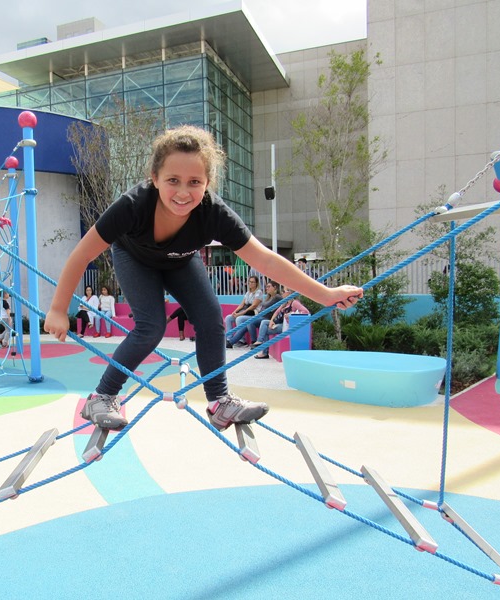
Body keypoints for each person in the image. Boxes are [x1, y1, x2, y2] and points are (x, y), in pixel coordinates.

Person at [44, 125, 361, 431]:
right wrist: (58, 309)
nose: (183, 192)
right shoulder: (132, 206)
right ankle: (101, 397)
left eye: (194, 182)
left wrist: (325, 294)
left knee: (211, 320)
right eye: (173, 180)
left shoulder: (213, 213)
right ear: (154, 178)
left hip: (181, 261)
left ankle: (219, 401)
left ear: (207, 183)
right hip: (134, 258)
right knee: (151, 326)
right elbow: (81, 255)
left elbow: (264, 259)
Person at [253, 287, 310, 359]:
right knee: (264, 322)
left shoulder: (294, 303)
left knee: (265, 330)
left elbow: (306, 311)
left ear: (289, 293)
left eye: (283, 291)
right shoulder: (285, 302)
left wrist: (291, 314)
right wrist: (271, 321)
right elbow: (276, 312)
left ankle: (263, 350)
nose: (282, 293)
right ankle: (260, 342)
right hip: (281, 323)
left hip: (287, 326)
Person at [227, 280, 281, 348]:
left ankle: (252, 341)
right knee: (245, 324)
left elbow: (268, 307)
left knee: (249, 321)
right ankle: (231, 342)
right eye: (266, 287)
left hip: (267, 317)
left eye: (269, 287)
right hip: (261, 316)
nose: (267, 288)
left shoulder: (277, 297)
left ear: (275, 287)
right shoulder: (268, 297)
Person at [225, 275, 263, 348]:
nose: (250, 283)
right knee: (228, 318)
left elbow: (254, 306)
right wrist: (235, 312)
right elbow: (242, 305)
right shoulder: (248, 293)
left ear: (256, 283)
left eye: (253, 282)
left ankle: (242, 340)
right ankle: (229, 338)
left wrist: (240, 314)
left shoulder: (258, 292)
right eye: (249, 282)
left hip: (253, 312)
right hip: (245, 311)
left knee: (239, 318)